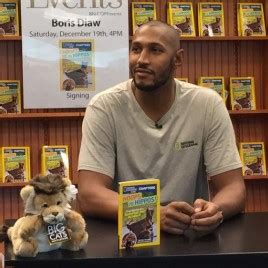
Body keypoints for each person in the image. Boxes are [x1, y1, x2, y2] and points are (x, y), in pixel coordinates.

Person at [77, 20, 246, 235]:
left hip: (189, 235)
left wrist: (215, 210)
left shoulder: (207, 104)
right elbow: (89, 194)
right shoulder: (104, 106)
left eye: (155, 50)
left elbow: (234, 188)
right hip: (125, 238)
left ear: (177, 59)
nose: (142, 60)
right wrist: (153, 214)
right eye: (136, 49)